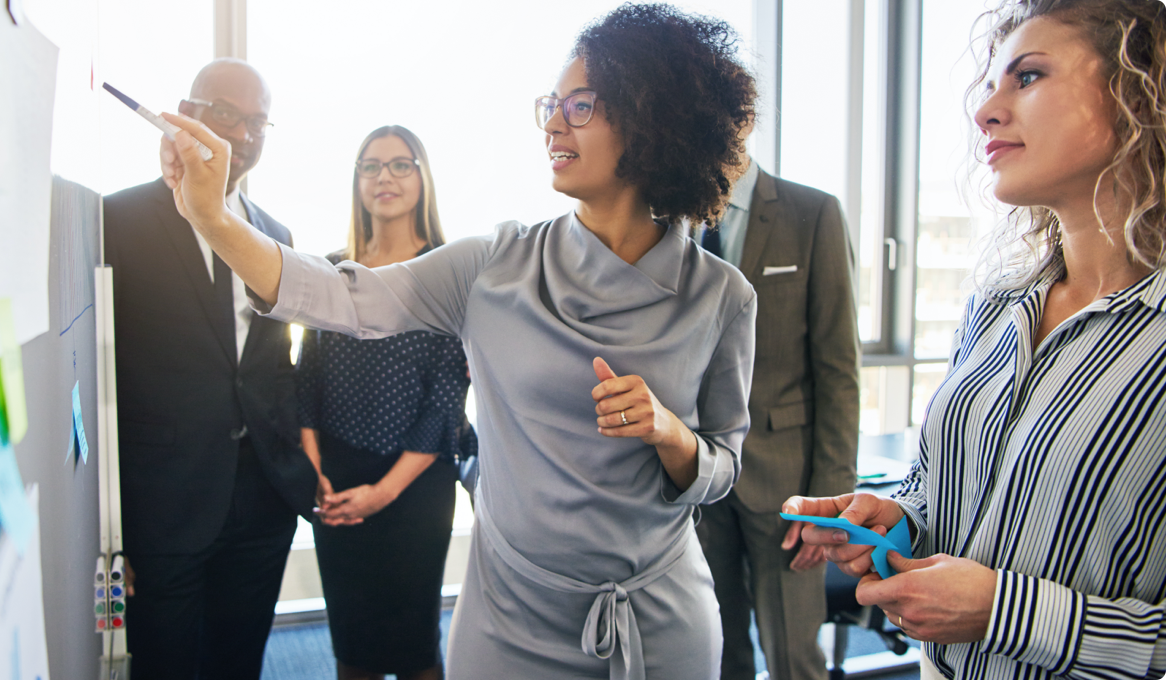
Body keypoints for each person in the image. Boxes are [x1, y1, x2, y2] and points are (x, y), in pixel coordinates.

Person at [158, 4, 758, 678]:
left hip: (659, 619)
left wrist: (669, 432)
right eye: (551, 105)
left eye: (580, 105)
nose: (554, 124)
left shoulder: (723, 297)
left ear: (653, 119)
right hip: (511, 619)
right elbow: (337, 295)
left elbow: (722, 466)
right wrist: (211, 217)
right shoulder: (492, 265)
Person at [785, 1, 1166, 678]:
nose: (985, 111)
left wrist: (1004, 611)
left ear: (1139, 91)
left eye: (1028, 77)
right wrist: (896, 516)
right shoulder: (996, 306)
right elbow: (941, 485)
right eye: (991, 85)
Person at [103, 58, 317, 680]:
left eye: (257, 122)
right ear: (187, 113)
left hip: (263, 498)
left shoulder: (275, 235)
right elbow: (101, 382)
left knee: (239, 660)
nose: (243, 136)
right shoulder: (118, 221)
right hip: (164, 503)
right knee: (165, 664)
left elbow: (272, 368)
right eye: (227, 115)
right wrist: (115, 526)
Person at [297, 125, 469, 680]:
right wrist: (314, 468)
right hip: (337, 477)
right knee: (352, 645)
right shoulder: (332, 268)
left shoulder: (448, 271)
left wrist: (384, 493)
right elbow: (308, 375)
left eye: (400, 164)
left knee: (415, 645)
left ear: (422, 176)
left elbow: (447, 396)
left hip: (416, 482)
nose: (384, 177)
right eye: (370, 166)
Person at [695, 147, 859, 680]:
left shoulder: (812, 213)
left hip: (788, 485)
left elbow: (838, 369)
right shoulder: (670, 217)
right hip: (695, 476)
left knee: (794, 659)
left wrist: (829, 500)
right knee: (716, 651)